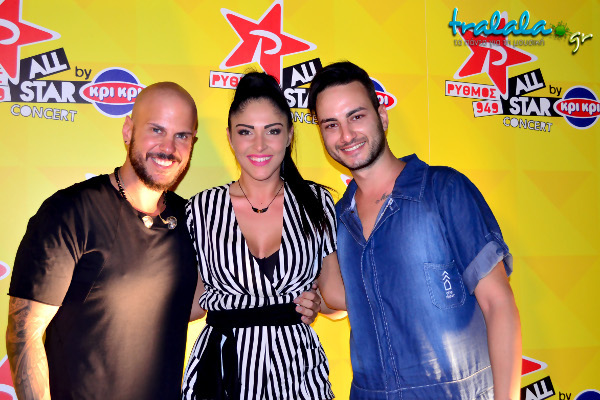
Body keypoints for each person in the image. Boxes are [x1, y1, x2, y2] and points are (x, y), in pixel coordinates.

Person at [5, 81, 322, 400]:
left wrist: (296, 304)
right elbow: (24, 336)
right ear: (128, 130)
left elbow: (208, 299)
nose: (168, 148)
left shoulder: (193, 217)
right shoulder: (70, 211)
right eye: (156, 130)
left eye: (181, 136)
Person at [308, 61, 522, 400]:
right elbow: (357, 299)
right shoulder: (336, 219)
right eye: (331, 124)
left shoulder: (444, 190)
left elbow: (499, 304)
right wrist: (317, 302)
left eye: (356, 116)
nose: (346, 135)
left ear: (382, 116)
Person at [181, 72, 346, 400]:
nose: (259, 145)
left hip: (298, 373)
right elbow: (194, 304)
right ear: (230, 137)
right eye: (246, 132)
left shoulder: (317, 202)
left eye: (272, 131)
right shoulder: (201, 208)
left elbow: (336, 301)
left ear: (289, 135)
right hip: (221, 374)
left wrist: (317, 304)